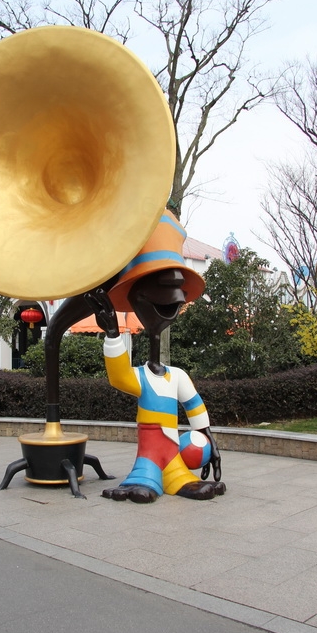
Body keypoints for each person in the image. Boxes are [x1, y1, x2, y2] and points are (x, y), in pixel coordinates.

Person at [86, 210, 225, 504]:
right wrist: (112, 334)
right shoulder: (142, 377)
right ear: (137, 299)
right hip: (148, 453)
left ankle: (172, 476)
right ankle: (146, 476)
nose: (175, 297)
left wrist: (208, 441)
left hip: (174, 454)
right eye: (163, 287)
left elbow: (194, 406)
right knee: (143, 484)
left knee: (176, 479)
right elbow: (119, 377)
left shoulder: (178, 376)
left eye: (176, 289)